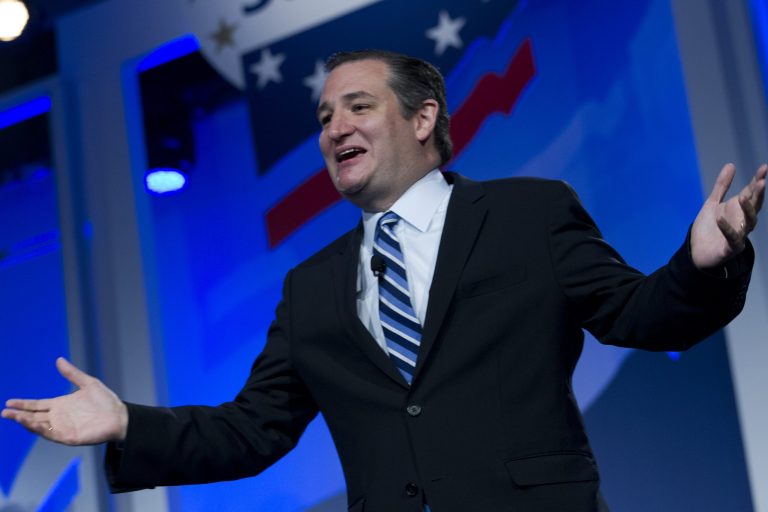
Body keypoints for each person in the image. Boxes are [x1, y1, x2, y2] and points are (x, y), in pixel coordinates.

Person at [2, 50, 766, 512]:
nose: (334, 128)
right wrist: (128, 423)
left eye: (358, 106)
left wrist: (704, 263)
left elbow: (640, 315)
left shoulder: (528, 213)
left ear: (425, 117)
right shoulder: (310, 289)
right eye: (325, 116)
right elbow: (252, 430)